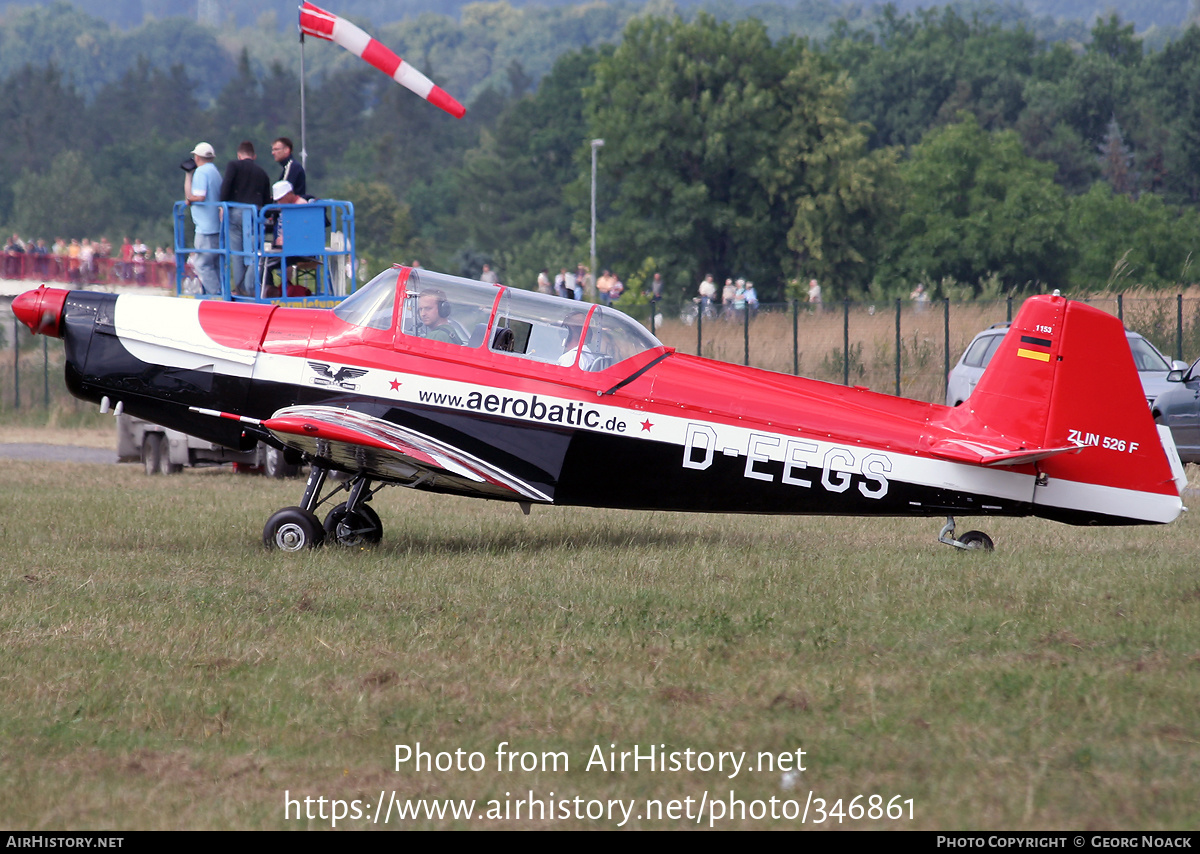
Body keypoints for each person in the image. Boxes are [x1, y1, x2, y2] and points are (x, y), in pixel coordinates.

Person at [221, 141, 271, 295]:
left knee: (237, 254)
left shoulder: (233, 166)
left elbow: (226, 186)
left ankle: (240, 288)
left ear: (239, 155)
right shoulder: (262, 172)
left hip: (236, 212)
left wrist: (222, 206)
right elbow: (267, 200)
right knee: (254, 252)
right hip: (255, 213)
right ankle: (251, 286)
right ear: (254, 156)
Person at [184, 142, 223, 295]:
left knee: (202, 264)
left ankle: (215, 295)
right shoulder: (215, 171)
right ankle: (221, 292)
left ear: (197, 157)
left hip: (204, 227)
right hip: (216, 225)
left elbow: (199, 196)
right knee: (216, 263)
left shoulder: (201, 172)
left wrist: (189, 199)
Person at [261, 180, 309, 297]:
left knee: (264, 265)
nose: (279, 203)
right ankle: (272, 290)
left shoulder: (301, 206)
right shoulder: (285, 208)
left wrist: (286, 240)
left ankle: (271, 292)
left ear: (288, 194)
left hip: (297, 250)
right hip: (286, 248)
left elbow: (302, 231)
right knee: (262, 261)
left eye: (280, 199)